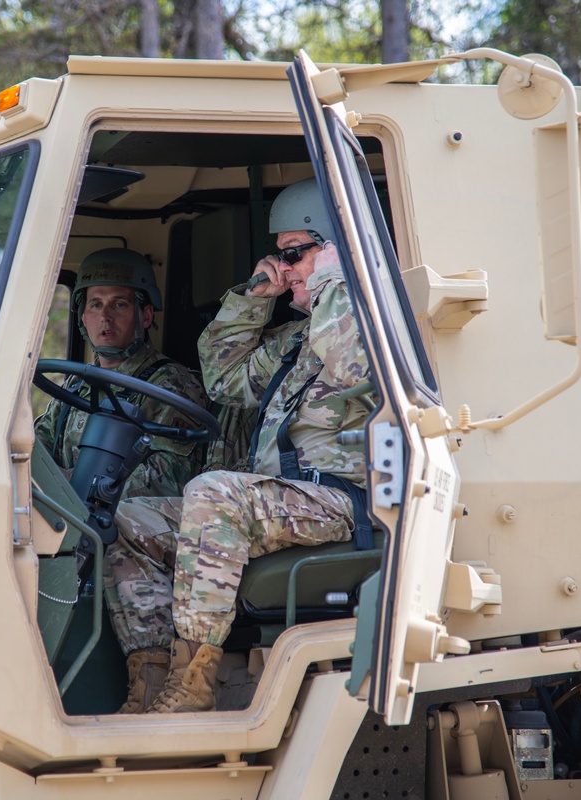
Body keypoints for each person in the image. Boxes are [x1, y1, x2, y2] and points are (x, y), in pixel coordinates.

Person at [103, 178, 373, 714]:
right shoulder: (295, 338)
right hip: (285, 499)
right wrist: (253, 302)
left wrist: (332, 281)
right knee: (129, 520)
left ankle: (193, 683)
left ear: (335, 252)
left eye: (296, 253)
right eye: (282, 254)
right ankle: (151, 680)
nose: (286, 266)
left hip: (341, 499)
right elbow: (226, 381)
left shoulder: (370, 321)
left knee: (214, 492)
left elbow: (355, 367)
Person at [34, 247, 210, 500]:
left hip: (122, 522)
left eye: (119, 304)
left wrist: (80, 487)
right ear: (83, 317)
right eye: (96, 304)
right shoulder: (76, 384)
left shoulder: (171, 386)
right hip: (65, 514)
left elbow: (171, 478)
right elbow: (39, 448)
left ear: (146, 316)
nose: (105, 317)